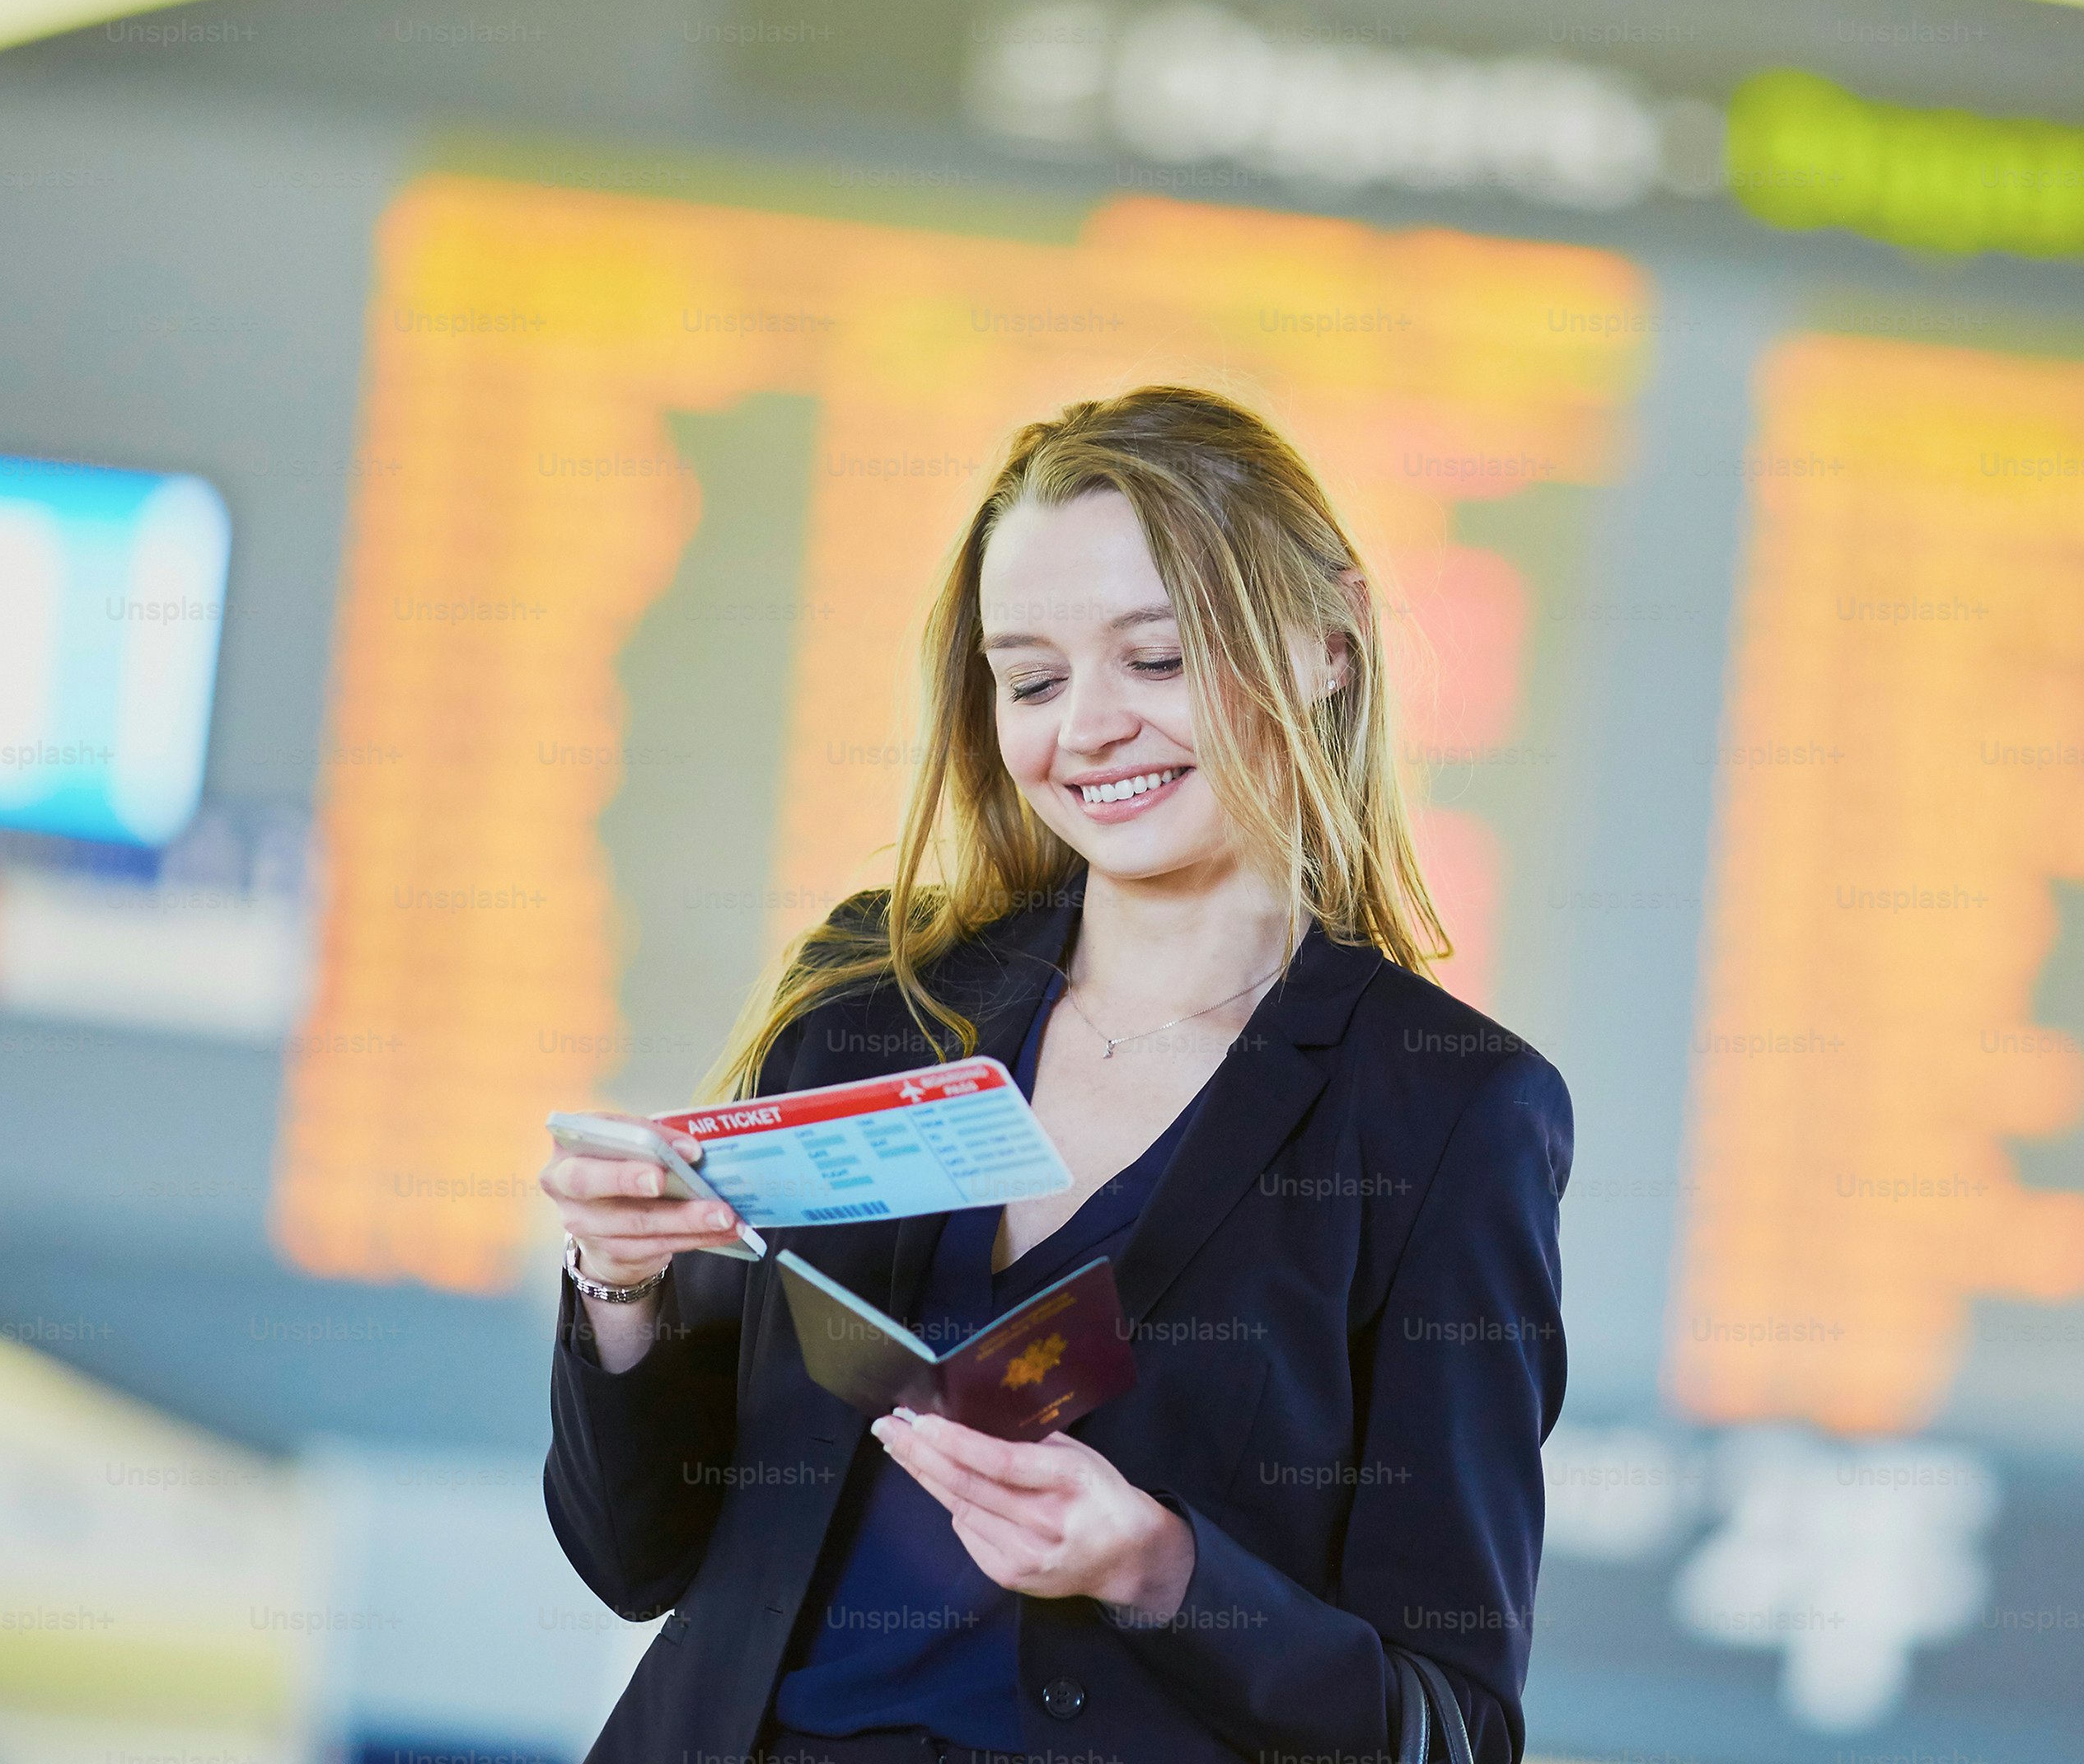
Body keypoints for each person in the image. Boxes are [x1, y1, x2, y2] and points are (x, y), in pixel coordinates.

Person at [540, 386, 1574, 1764]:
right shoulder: (876, 1002)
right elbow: (640, 1557)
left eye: (1156, 659)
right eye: (1032, 680)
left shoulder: (1447, 1110)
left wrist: (1160, 1572)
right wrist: (620, 1288)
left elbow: (1449, 1729)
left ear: (1330, 640)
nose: (1086, 730)